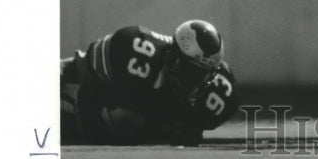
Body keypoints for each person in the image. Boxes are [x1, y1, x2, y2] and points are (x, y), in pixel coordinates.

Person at [60, 19, 240, 145]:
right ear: (174, 57)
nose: (195, 82)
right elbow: (88, 90)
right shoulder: (135, 51)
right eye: (190, 71)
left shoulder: (219, 92)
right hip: (76, 87)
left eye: (204, 75)